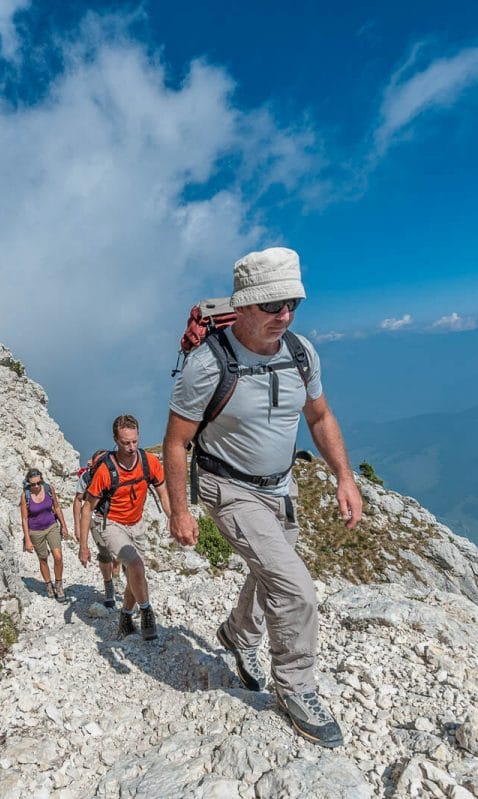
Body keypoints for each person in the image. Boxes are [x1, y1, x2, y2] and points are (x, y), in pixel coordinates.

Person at [162, 247, 363, 749]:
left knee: (269, 568)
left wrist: (345, 476)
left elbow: (319, 417)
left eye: (293, 303)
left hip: (281, 485)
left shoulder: (301, 352)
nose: (286, 315)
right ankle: (296, 688)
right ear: (245, 306)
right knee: (295, 588)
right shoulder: (209, 365)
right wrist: (180, 512)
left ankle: (237, 634)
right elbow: (176, 441)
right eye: (274, 306)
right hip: (228, 488)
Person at [78, 415, 172, 640]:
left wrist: (173, 516)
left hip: (137, 524)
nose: (131, 447)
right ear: (115, 440)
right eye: (125, 442)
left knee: (135, 574)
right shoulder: (105, 471)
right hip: (111, 524)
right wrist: (83, 545)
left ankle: (126, 616)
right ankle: (147, 611)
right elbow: (87, 508)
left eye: (134, 441)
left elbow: (162, 491)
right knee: (137, 566)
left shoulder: (149, 462)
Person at [74, 449, 122, 608]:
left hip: (116, 518)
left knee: (120, 551)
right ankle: (109, 586)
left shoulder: (115, 473)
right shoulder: (86, 477)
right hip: (96, 519)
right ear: (94, 464)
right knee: (105, 553)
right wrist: (77, 526)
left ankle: (118, 577)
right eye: (100, 463)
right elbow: (78, 501)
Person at [20, 468, 72, 601]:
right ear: (28, 484)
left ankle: (59, 584)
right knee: (43, 558)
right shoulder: (25, 495)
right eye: (33, 484)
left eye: (39, 483)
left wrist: (64, 526)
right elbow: (25, 519)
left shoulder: (49, 489)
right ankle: (48, 584)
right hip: (35, 531)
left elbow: (57, 507)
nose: (36, 486)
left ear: (42, 481)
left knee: (58, 556)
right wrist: (27, 539)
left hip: (51, 526)